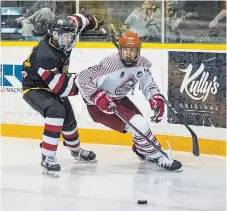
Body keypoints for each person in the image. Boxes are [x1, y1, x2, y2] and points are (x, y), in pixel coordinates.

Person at [75, 32, 182, 171]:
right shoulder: (110, 64)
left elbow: (148, 84)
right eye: (125, 50)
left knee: (140, 126)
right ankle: (159, 157)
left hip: (119, 100)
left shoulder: (142, 64)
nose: (128, 54)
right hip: (99, 106)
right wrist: (97, 96)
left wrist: (154, 97)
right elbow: (81, 78)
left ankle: (142, 151)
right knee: (139, 124)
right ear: (120, 50)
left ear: (138, 51)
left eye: (132, 51)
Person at [21, 13, 104, 176]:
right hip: (35, 87)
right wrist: (87, 86)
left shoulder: (67, 29)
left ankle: (76, 151)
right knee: (56, 111)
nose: (69, 39)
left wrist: (92, 21)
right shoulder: (46, 55)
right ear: (54, 35)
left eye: (71, 35)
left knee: (69, 121)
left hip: (53, 82)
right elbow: (61, 88)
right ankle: (47, 156)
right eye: (65, 36)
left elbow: (79, 19)